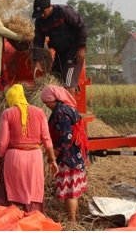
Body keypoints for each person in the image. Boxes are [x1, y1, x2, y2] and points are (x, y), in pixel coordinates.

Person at [0, 84, 58, 213]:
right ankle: (32, 223)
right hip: (35, 159)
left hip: (13, 158)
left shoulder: (7, 113)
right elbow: (47, 139)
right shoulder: (39, 113)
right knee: (33, 194)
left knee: (8, 197)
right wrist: (52, 160)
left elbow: (2, 142)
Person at [41, 85, 88, 222]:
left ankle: (72, 222)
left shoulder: (61, 113)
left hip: (68, 158)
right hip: (74, 154)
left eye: (46, 102)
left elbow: (66, 137)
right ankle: (73, 218)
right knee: (72, 190)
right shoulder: (69, 108)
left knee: (70, 191)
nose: (46, 105)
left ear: (53, 99)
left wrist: (54, 152)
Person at [31, 0, 87, 95]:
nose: (42, 16)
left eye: (43, 13)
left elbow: (81, 26)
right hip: (60, 52)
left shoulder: (64, 12)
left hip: (74, 50)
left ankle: (69, 108)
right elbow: (38, 40)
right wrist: (36, 60)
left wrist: (81, 48)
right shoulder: (40, 21)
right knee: (54, 78)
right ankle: (58, 108)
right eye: (39, 14)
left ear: (49, 7)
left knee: (68, 81)